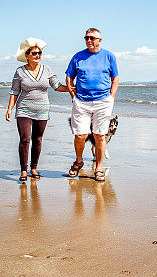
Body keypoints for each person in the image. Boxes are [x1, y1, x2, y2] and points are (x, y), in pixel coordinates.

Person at [6, 37, 71, 182]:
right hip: (24, 109)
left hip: (42, 110)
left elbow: (57, 86)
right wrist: (10, 109)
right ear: (27, 56)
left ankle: (33, 168)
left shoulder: (47, 69)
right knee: (25, 139)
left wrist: (72, 89)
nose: (37, 56)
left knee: (37, 140)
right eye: (34, 53)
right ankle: (24, 170)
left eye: (39, 53)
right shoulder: (20, 71)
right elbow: (14, 91)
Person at [65, 28, 119, 181]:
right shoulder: (78, 57)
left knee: (100, 136)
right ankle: (79, 161)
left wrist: (111, 97)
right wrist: (73, 95)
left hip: (103, 102)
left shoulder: (109, 56)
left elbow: (115, 78)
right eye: (86, 38)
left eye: (92, 38)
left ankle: (99, 169)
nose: (89, 40)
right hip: (81, 102)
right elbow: (69, 77)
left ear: (99, 40)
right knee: (80, 135)